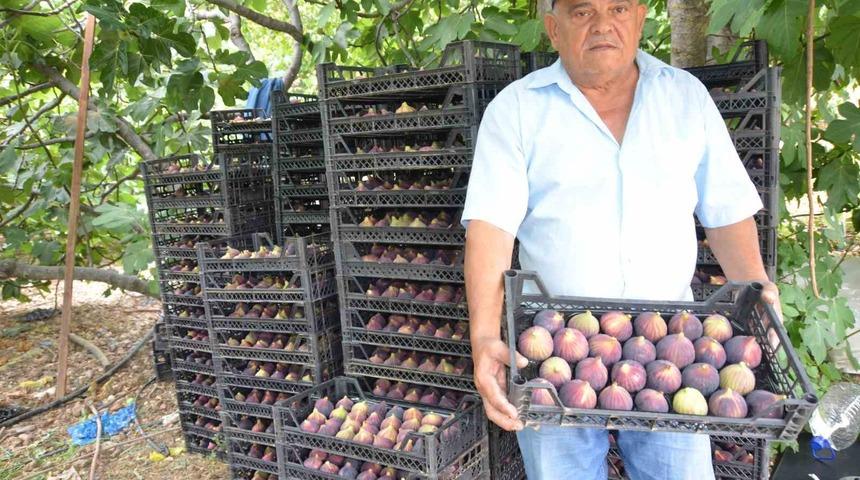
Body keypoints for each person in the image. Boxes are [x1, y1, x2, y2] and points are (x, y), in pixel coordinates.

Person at [461, 0, 781, 478]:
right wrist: (485, 337)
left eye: (618, 8)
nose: (603, 25)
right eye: (582, 12)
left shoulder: (684, 98)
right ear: (553, 29)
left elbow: (727, 211)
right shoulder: (517, 109)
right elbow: (490, 229)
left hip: (672, 344)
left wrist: (757, 287)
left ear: (640, 18)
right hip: (552, 347)